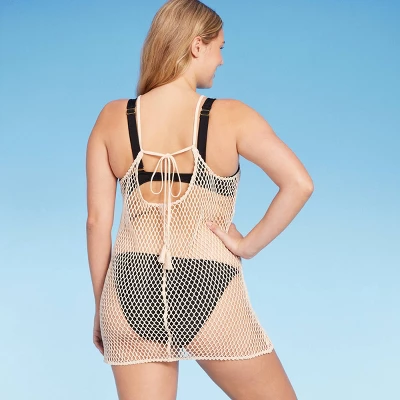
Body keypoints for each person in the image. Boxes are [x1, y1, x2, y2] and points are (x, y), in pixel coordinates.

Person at [86, 0, 313, 398]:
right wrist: (247, 245)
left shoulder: (112, 117)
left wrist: (101, 307)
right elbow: (299, 183)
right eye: (219, 47)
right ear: (196, 46)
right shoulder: (232, 116)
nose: (221, 60)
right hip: (207, 282)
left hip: (129, 287)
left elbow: (96, 223)